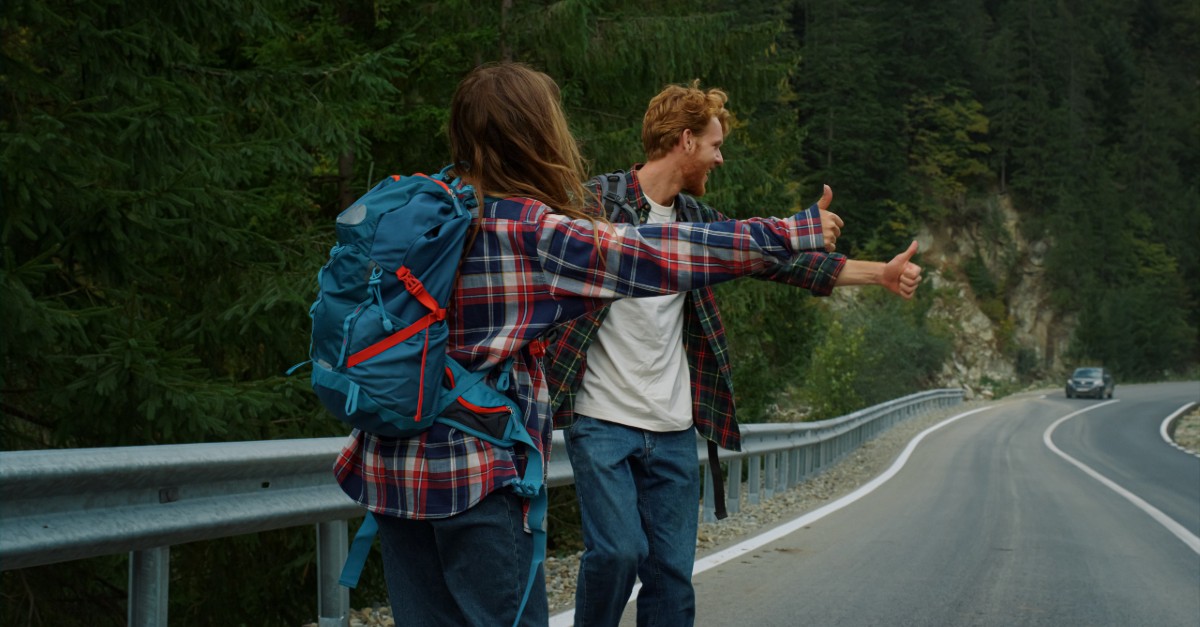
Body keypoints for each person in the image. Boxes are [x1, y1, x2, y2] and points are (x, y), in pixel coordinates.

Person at [331, 62, 869, 626]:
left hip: (391, 470)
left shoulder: (423, 210)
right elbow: (662, 255)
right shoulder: (532, 232)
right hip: (476, 478)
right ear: (537, 134)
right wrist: (790, 231)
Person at [543, 81, 922, 627]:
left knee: (671, 575)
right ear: (685, 140)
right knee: (618, 553)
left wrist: (878, 274)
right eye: (715, 145)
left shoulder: (699, 218)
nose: (720, 157)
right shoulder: (594, 204)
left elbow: (780, 262)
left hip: (673, 427)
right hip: (601, 421)